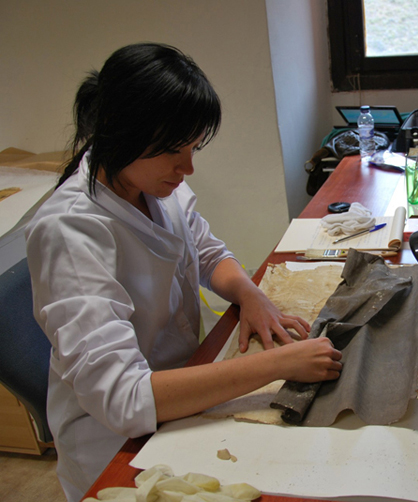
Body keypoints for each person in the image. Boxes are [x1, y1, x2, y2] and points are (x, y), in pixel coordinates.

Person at [25, 43, 343, 501]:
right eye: (175, 150)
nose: (188, 167)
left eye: (193, 147)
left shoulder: (150, 178)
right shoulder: (71, 230)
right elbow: (125, 399)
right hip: (118, 441)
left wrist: (250, 295)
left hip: (186, 384)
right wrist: (277, 363)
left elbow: (209, 253)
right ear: (122, 133)